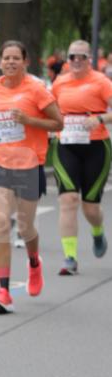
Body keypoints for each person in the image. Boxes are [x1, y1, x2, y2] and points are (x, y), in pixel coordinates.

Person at [0, 41, 63, 314]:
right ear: (0, 62)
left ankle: (33, 262)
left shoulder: (37, 89)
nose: (11, 62)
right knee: (2, 222)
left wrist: (29, 121)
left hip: (29, 163)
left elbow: (58, 123)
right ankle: (3, 290)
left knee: (26, 227)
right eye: (6, 58)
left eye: (16, 58)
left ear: (25, 62)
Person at [51, 40, 112, 274]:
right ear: (67, 59)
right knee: (68, 201)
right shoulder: (60, 82)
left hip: (96, 147)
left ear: (89, 59)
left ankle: (97, 232)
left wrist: (99, 119)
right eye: (72, 56)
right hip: (66, 145)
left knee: (90, 208)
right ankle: (70, 258)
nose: (77, 60)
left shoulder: (101, 82)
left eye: (82, 57)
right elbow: (48, 107)